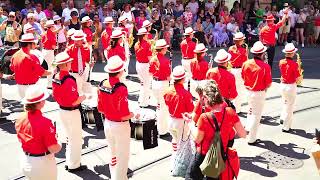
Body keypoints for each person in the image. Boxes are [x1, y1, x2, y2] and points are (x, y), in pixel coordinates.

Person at [184, 80, 247, 180]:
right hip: (220, 154)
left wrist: (190, 123)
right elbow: (243, 134)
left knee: (192, 177)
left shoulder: (204, 117)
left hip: (203, 154)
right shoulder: (229, 111)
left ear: (206, 98)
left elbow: (198, 139)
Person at [97, 55, 140, 180]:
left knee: (113, 154)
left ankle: (114, 176)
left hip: (108, 123)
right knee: (123, 157)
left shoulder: (102, 84)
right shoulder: (121, 88)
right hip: (120, 126)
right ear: (120, 71)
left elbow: (100, 109)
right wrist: (134, 114)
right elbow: (124, 115)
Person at [15, 86, 61, 180]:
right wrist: (59, 143)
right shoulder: (45, 122)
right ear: (40, 103)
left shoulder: (20, 118)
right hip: (41, 164)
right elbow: (53, 148)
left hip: (25, 160)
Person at [52, 52, 87, 172]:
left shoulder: (55, 76)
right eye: (70, 62)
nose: (71, 63)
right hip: (71, 111)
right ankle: (74, 165)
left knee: (69, 137)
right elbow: (74, 101)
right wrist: (84, 97)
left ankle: (69, 161)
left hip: (62, 110)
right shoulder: (69, 79)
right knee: (75, 139)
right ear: (66, 64)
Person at [163, 65, 194, 170]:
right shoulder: (186, 94)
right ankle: (178, 166)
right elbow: (190, 110)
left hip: (171, 119)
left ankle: (174, 164)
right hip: (181, 122)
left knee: (175, 142)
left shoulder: (167, 91)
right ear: (183, 79)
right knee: (182, 144)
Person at [241, 41, 272, 145]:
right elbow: (268, 83)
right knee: (256, 115)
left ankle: (248, 129)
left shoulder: (245, 63)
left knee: (250, 111)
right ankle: (252, 138)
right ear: (262, 53)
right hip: (259, 93)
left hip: (248, 91)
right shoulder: (265, 66)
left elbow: (243, 77)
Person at [10, 33, 51, 99]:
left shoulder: (15, 55)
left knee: (26, 107)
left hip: (20, 87)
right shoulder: (31, 57)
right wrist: (52, 71)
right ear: (29, 44)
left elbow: (12, 68)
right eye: (34, 43)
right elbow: (42, 72)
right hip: (31, 87)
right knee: (33, 108)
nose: (36, 45)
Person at [149, 39, 171, 136]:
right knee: (163, 108)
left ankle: (159, 127)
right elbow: (168, 76)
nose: (166, 49)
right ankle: (162, 130)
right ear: (162, 49)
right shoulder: (165, 60)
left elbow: (150, 72)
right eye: (165, 48)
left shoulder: (153, 59)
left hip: (154, 83)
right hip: (163, 84)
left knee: (158, 106)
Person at [279, 43, 301, 133]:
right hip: (290, 86)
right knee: (290, 106)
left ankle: (282, 117)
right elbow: (297, 77)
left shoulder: (281, 62)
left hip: (283, 85)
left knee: (285, 102)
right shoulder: (294, 64)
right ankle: (286, 127)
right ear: (292, 53)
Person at [66, 30, 93, 95]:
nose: (76, 42)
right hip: (72, 73)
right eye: (75, 40)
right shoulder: (69, 49)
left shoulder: (87, 49)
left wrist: (90, 63)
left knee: (80, 90)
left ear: (82, 40)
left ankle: (79, 102)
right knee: (74, 91)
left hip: (83, 72)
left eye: (78, 40)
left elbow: (87, 60)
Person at [228, 32, 248, 113]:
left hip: (231, 70)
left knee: (232, 88)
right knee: (238, 90)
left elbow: (228, 60)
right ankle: (237, 109)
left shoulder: (230, 48)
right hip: (239, 70)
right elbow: (245, 62)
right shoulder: (243, 50)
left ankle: (232, 105)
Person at [135, 28, 153, 107]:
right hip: (145, 65)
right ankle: (144, 103)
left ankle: (140, 99)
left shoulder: (136, 44)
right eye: (146, 34)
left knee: (142, 83)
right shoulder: (147, 44)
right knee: (147, 84)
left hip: (138, 64)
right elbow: (149, 58)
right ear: (144, 35)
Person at [41, 20, 57, 89]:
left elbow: (42, 43)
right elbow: (53, 46)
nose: (54, 27)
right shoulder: (52, 35)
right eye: (53, 26)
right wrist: (57, 47)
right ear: (51, 27)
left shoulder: (44, 33)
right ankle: (50, 84)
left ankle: (49, 83)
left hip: (44, 51)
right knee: (51, 67)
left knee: (48, 67)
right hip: (50, 52)